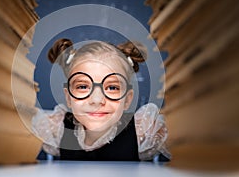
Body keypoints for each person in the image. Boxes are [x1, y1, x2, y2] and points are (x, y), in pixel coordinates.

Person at [32, 38, 170, 161]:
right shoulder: (56, 130)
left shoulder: (144, 132)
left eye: (111, 88)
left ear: (127, 100)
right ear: (69, 98)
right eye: (83, 86)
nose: (97, 100)